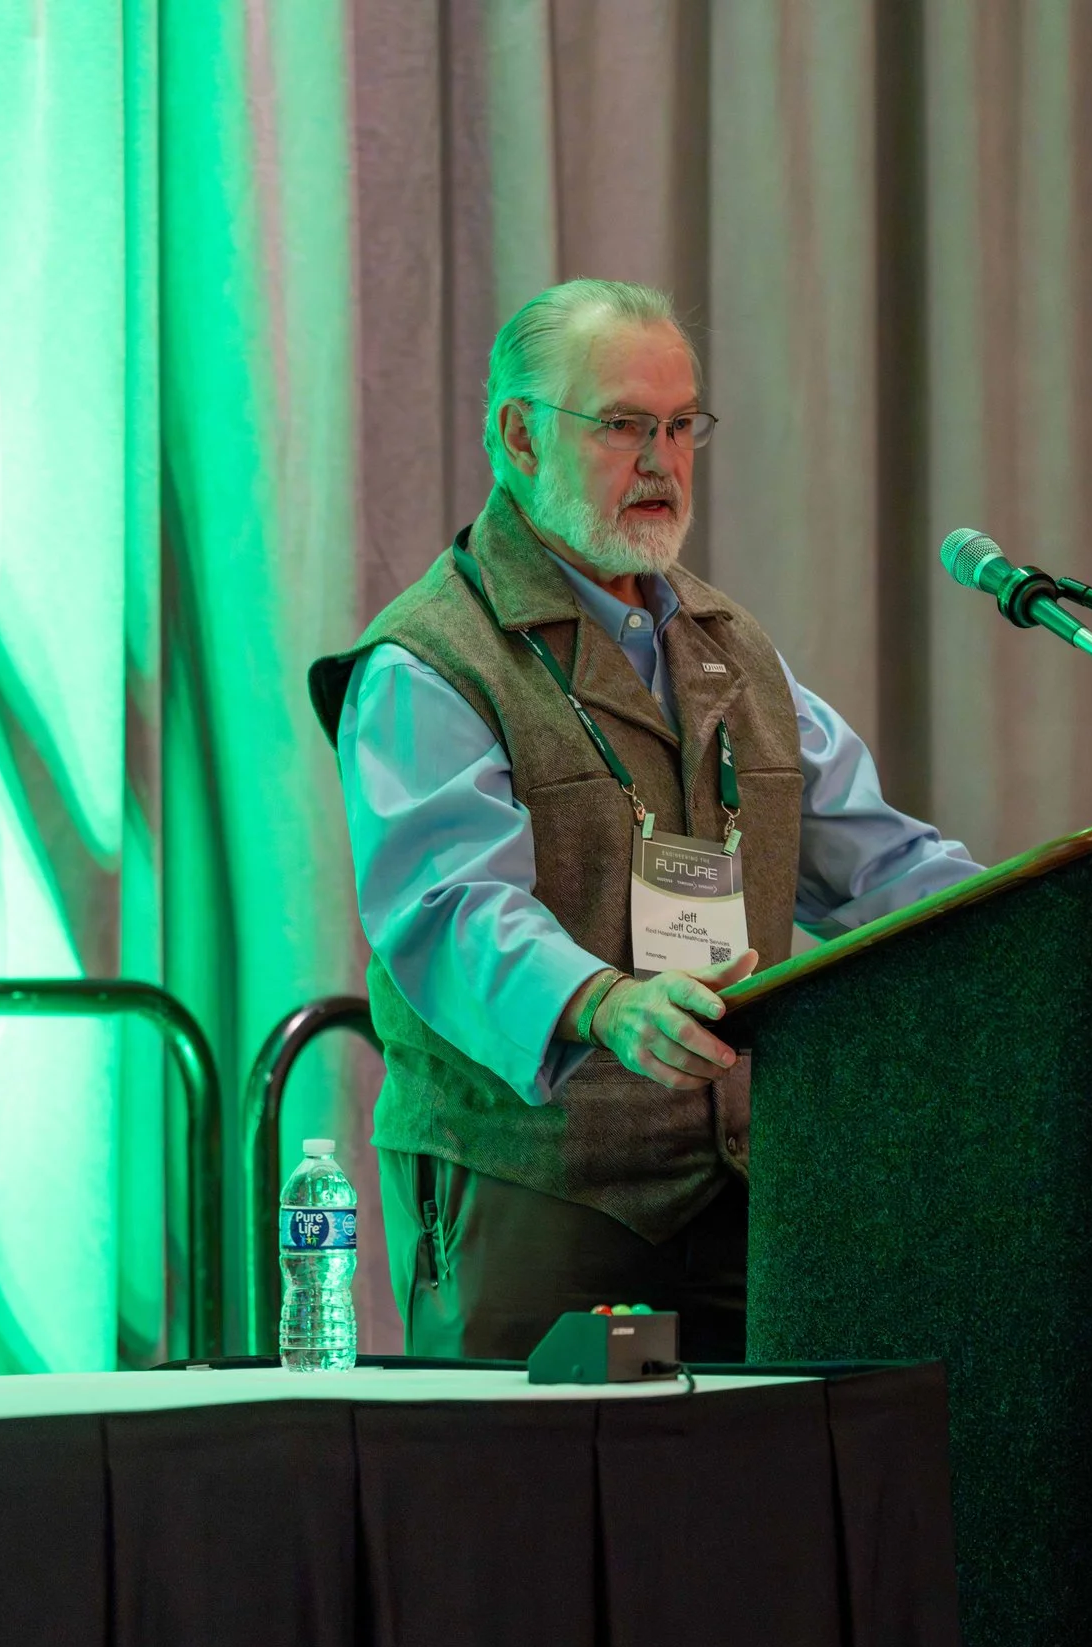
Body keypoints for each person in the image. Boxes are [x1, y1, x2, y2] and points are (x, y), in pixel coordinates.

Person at [310, 277, 981, 1361]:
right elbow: (448, 908)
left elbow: (878, 859)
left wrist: (1059, 915)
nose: (662, 462)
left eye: (680, 425)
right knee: (533, 1518)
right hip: (534, 1198)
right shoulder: (430, 658)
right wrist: (602, 1000)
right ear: (519, 436)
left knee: (757, 1517)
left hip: (742, 1199)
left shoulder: (732, 647)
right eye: (623, 425)